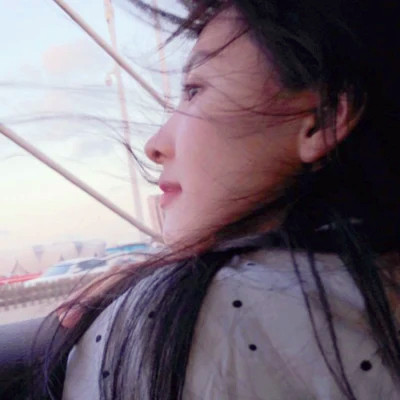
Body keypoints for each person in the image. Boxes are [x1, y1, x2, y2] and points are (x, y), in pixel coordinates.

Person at [30, 0, 400, 399]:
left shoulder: (185, 326)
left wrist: (163, 294)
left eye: (194, 90)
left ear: (323, 120)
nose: (155, 145)